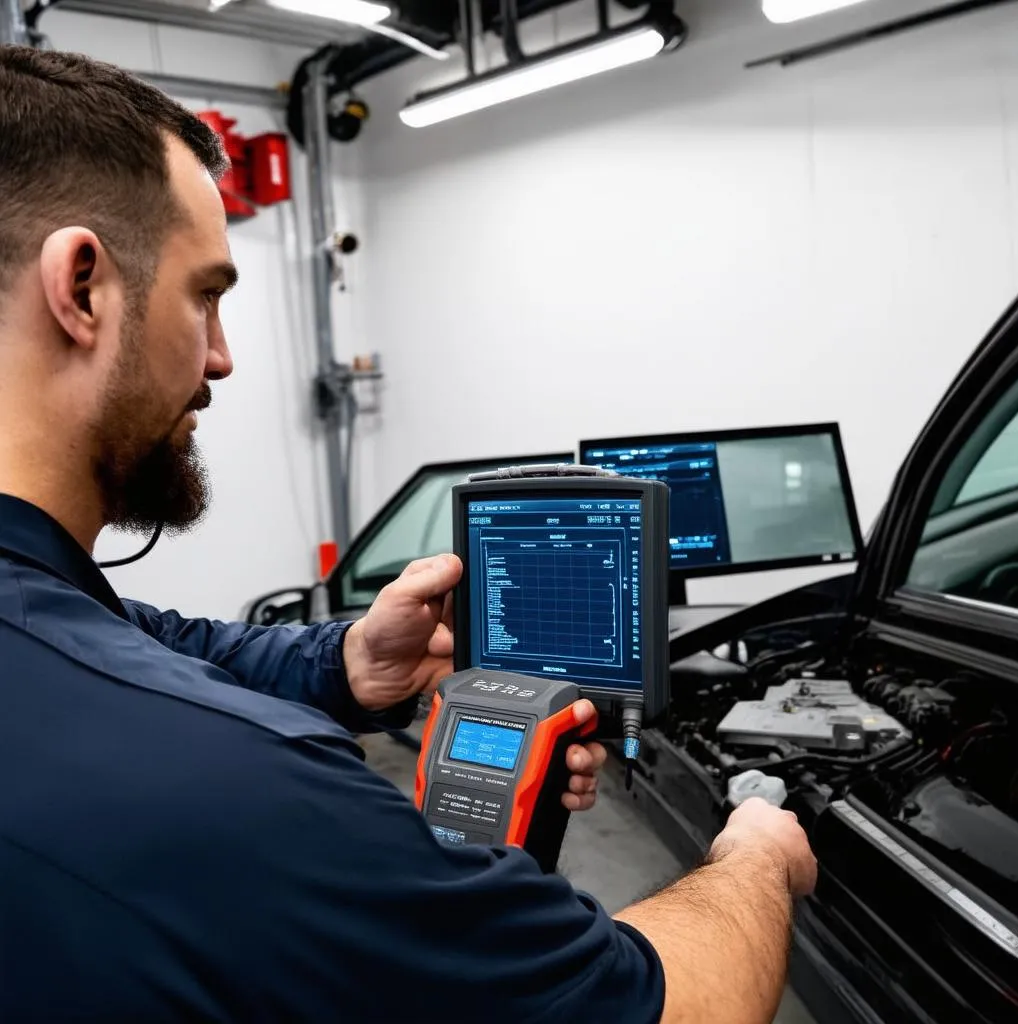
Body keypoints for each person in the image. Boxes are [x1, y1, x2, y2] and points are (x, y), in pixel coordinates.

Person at [0, 44, 817, 1024]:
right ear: (82, 285)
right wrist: (755, 858)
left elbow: (142, 639)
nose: (221, 357)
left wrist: (348, 661)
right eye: (207, 294)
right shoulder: (252, 795)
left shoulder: (44, 627)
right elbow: (658, 1007)